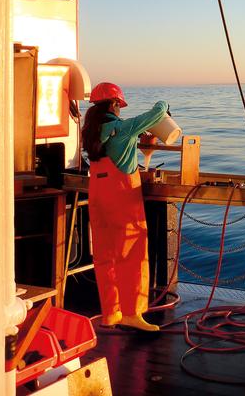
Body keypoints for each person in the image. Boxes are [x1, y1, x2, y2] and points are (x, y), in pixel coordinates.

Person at [81, 82, 169, 331]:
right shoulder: (123, 128)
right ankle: (132, 313)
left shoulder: (90, 130)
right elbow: (155, 114)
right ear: (115, 104)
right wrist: (165, 104)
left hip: (98, 195)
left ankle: (111, 313)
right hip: (122, 198)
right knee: (132, 255)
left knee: (104, 255)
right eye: (119, 104)